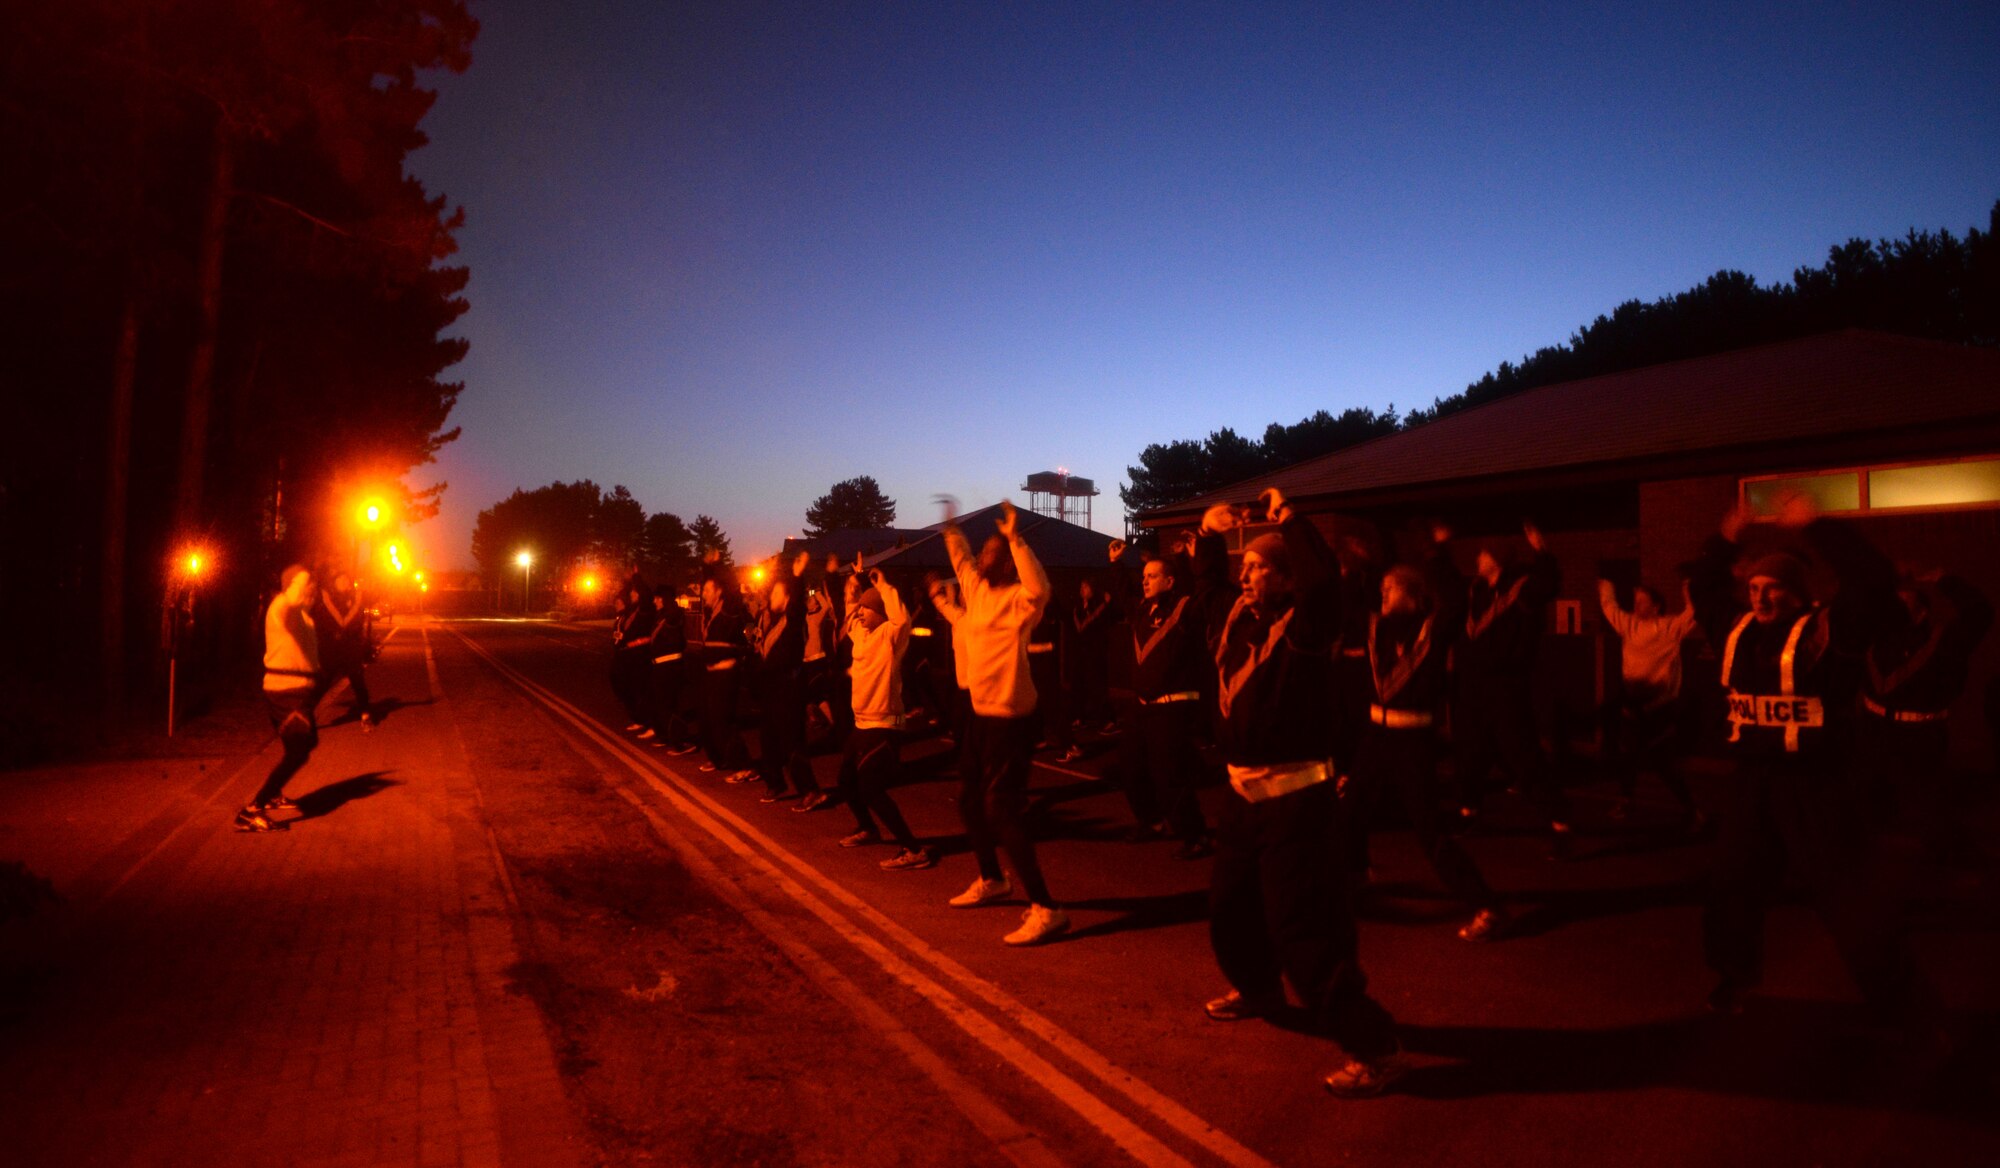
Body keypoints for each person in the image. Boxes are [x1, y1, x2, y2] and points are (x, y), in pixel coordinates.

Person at [1197, 489, 1401, 1098]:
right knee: (1230, 911)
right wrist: (1207, 533)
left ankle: (1374, 1045)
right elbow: (1207, 586)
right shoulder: (1235, 620)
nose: (1246, 576)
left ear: (1287, 579)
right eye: (1245, 567)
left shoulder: (1307, 626)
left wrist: (1290, 520)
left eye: (1260, 568)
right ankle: (1258, 989)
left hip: (1295, 802)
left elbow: (1322, 584)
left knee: (1303, 931)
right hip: (1241, 798)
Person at [1686, 496, 1921, 1021]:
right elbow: (1703, 587)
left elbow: (1872, 579)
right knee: (1731, 886)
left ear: (1796, 592)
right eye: (1754, 588)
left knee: (1849, 896)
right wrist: (1725, 539)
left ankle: (1904, 1007)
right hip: (1753, 782)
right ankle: (1734, 977)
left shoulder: (1830, 629)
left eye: (1773, 588)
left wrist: (1816, 527)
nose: (1761, 597)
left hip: (1818, 783)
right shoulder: (1736, 629)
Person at [1350, 534, 1506, 941]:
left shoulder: (1432, 629)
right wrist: (1367, 566)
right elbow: (1356, 598)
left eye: (1392, 587)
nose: (1384, 592)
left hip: (1412, 742)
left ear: (1414, 593)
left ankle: (1486, 905)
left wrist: (1435, 554)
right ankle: (1353, 878)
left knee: (1430, 831)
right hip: (1375, 737)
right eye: (1382, 587)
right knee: (1349, 814)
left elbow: (1454, 600)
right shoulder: (1377, 627)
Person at [941, 499, 1067, 946]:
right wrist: (952, 529)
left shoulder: (1019, 600)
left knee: (1001, 810)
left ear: (1008, 563)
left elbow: (1040, 588)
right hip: (981, 715)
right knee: (968, 800)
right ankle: (993, 879)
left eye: (991, 552)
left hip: (1012, 720)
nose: (982, 558)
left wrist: (1015, 539)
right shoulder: (976, 591)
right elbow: (960, 561)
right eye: (983, 551)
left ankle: (1047, 908)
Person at [1451, 521, 1574, 857]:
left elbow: (1548, 585)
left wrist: (1542, 552)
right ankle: (1467, 812)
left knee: (1524, 756)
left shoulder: (1520, 590)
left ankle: (1560, 822)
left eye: (1483, 554)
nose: (1477, 558)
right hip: (1474, 686)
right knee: (1470, 753)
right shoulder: (1475, 592)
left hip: (1507, 686)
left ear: (1497, 558)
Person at [1858, 566, 1993, 864]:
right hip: (1873, 729)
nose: (1892, 611)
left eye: (1902, 605)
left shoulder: (1944, 641)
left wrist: (1942, 579)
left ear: (1921, 613)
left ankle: (1953, 863)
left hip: (1919, 737)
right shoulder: (1873, 638)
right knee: (1870, 801)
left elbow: (1979, 612)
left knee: (1928, 806)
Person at [1106, 535, 1222, 858]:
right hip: (1142, 707)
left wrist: (1189, 559)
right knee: (1131, 768)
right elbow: (1124, 594)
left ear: (1170, 581)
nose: (1144, 581)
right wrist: (1116, 564)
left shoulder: (1185, 609)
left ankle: (1196, 834)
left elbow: (1201, 592)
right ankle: (1152, 821)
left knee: (1169, 774)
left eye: (1152, 576)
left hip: (1173, 707)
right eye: (1144, 576)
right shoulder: (1142, 610)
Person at [837, 571, 934, 870]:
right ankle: (868, 828)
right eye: (861, 608)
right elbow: (849, 612)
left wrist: (882, 585)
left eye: (867, 609)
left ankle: (914, 849)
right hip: (861, 724)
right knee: (845, 781)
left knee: (870, 787)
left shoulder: (891, 636)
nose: (860, 613)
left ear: (880, 612)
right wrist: (852, 588)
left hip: (884, 725)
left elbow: (902, 618)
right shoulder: (861, 635)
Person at [1596, 576, 1703, 829]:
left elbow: (1694, 613)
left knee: (1664, 762)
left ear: (1657, 607)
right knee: (1627, 757)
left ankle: (1692, 810)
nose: (1636, 606)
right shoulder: (1628, 625)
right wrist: (1606, 587)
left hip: (1659, 707)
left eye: (1643, 602)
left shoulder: (1670, 628)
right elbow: (1610, 607)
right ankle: (1626, 801)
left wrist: (1688, 590)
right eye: (1635, 601)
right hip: (1633, 705)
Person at [238, 564, 322, 832]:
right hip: (285, 692)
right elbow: (292, 598)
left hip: (298, 692)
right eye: (306, 587)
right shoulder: (280, 608)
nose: (311, 593)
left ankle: (272, 795)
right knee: (300, 750)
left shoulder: (303, 618)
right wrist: (303, 576)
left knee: (301, 746)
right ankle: (252, 810)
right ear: (293, 586)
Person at [749, 553, 827, 807]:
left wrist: (796, 576)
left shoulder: (792, 621)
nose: (771, 597)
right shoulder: (773, 623)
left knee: (792, 742)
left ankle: (811, 791)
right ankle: (776, 783)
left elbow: (796, 605)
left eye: (776, 594)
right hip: (771, 692)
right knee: (768, 740)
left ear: (787, 598)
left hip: (788, 691)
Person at [691, 568, 755, 778]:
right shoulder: (712, 612)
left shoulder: (730, 610)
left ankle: (744, 766)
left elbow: (734, 595)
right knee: (706, 719)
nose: (704, 594)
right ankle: (719, 758)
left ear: (720, 592)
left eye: (708, 590)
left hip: (726, 673)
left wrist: (717, 564)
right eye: (704, 590)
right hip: (710, 674)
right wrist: (707, 568)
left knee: (722, 721)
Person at [312, 570, 374, 726]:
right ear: (334, 583)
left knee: (358, 682)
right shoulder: (326, 600)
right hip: (332, 649)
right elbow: (321, 623)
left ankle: (365, 714)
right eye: (340, 580)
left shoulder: (355, 599)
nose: (344, 583)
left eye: (346, 580)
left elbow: (358, 622)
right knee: (323, 683)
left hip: (351, 649)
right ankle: (306, 714)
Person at [1065, 577, 1116, 740]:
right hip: (1080, 653)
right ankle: (1079, 717)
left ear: (1093, 589)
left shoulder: (1100, 606)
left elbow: (1107, 619)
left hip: (1095, 653)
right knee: (1078, 685)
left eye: (1086, 587)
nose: (1082, 590)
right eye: (1081, 587)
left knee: (1097, 686)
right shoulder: (1077, 607)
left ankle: (1106, 720)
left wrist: (1108, 603)